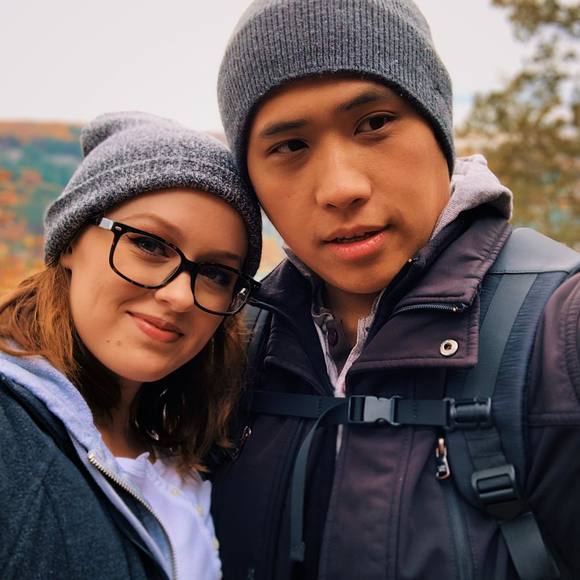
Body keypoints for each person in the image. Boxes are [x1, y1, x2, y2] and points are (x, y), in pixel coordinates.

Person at [210, 1, 580, 579]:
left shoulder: (562, 328)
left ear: (438, 127)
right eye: (290, 146)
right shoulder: (229, 344)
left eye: (375, 123)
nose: (340, 188)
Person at [0, 111, 262, 580]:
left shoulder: (191, 457)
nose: (180, 296)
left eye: (216, 274)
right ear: (70, 241)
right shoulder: (11, 437)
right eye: (150, 245)